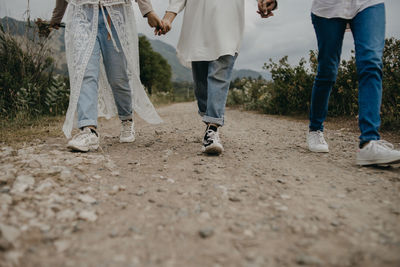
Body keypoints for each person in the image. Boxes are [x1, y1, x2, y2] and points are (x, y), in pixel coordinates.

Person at [158, 0, 277, 155]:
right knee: (201, 84)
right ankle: (209, 118)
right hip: (198, 24)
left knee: (220, 74)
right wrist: (168, 17)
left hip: (228, 23)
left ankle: (212, 129)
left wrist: (269, 2)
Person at [50, 0, 162, 152]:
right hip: (82, 13)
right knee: (84, 71)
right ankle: (88, 130)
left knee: (118, 77)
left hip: (114, 13)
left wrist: (148, 11)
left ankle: (127, 119)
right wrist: (57, 16)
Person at [300, 0, 400, 166]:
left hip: (369, 3)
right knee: (327, 71)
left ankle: (369, 142)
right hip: (328, 7)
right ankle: (315, 128)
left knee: (371, 63)